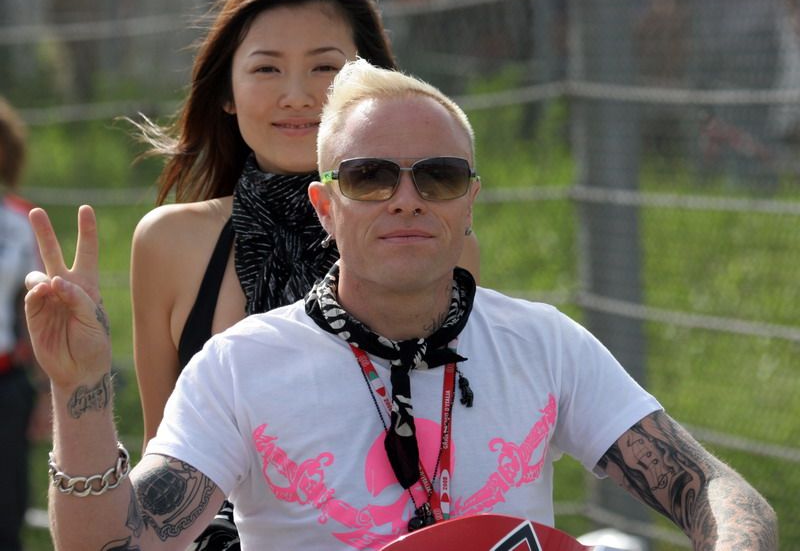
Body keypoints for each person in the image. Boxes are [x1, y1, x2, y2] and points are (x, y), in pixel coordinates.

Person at [25, 60, 777, 550]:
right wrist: (79, 388)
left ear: (469, 201)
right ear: (325, 207)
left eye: (439, 176)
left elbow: (715, 490)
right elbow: (120, 542)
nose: (407, 199)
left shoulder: (544, 344)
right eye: (370, 176)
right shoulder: (238, 367)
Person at [129, 0, 478, 546]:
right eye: (266, 68)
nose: (297, 96)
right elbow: (160, 458)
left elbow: (445, 441)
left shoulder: (438, 240)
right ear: (226, 93)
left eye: (326, 68)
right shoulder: (169, 242)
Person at [0, 96, 48, 551]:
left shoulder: (21, 221)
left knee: (7, 512)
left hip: (7, 386)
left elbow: (34, 309)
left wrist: (48, 391)